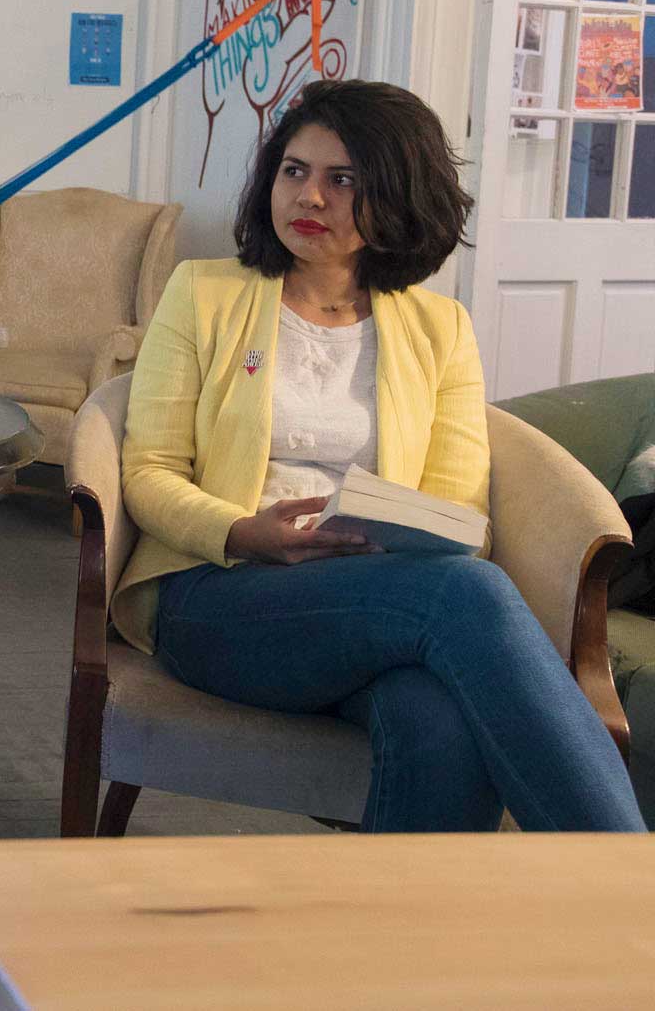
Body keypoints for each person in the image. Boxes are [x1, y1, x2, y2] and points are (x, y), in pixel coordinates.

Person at [113, 79, 642, 833]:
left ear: (397, 193)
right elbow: (148, 473)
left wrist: (389, 542)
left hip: (374, 598)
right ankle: (627, 894)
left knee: (437, 720)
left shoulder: (440, 327)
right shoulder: (202, 294)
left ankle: (402, 947)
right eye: (295, 171)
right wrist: (243, 531)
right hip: (219, 593)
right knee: (470, 595)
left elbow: (459, 510)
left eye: (344, 179)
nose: (311, 197)